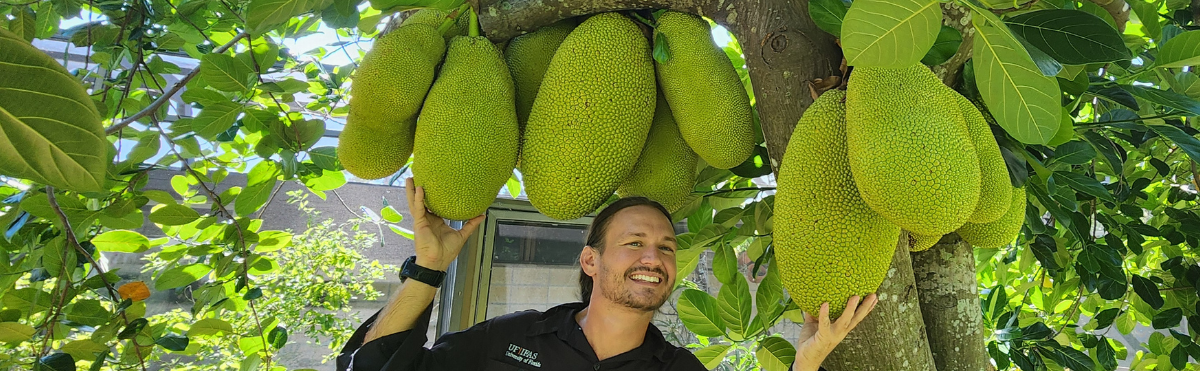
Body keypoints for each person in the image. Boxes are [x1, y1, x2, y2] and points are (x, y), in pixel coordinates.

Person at [335, 178, 879, 370]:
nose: (654, 257)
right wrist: (429, 269)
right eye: (635, 243)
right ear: (590, 261)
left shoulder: (679, 370)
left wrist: (804, 363)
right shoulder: (508, 341)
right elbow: (374, 366)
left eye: (666, 247)